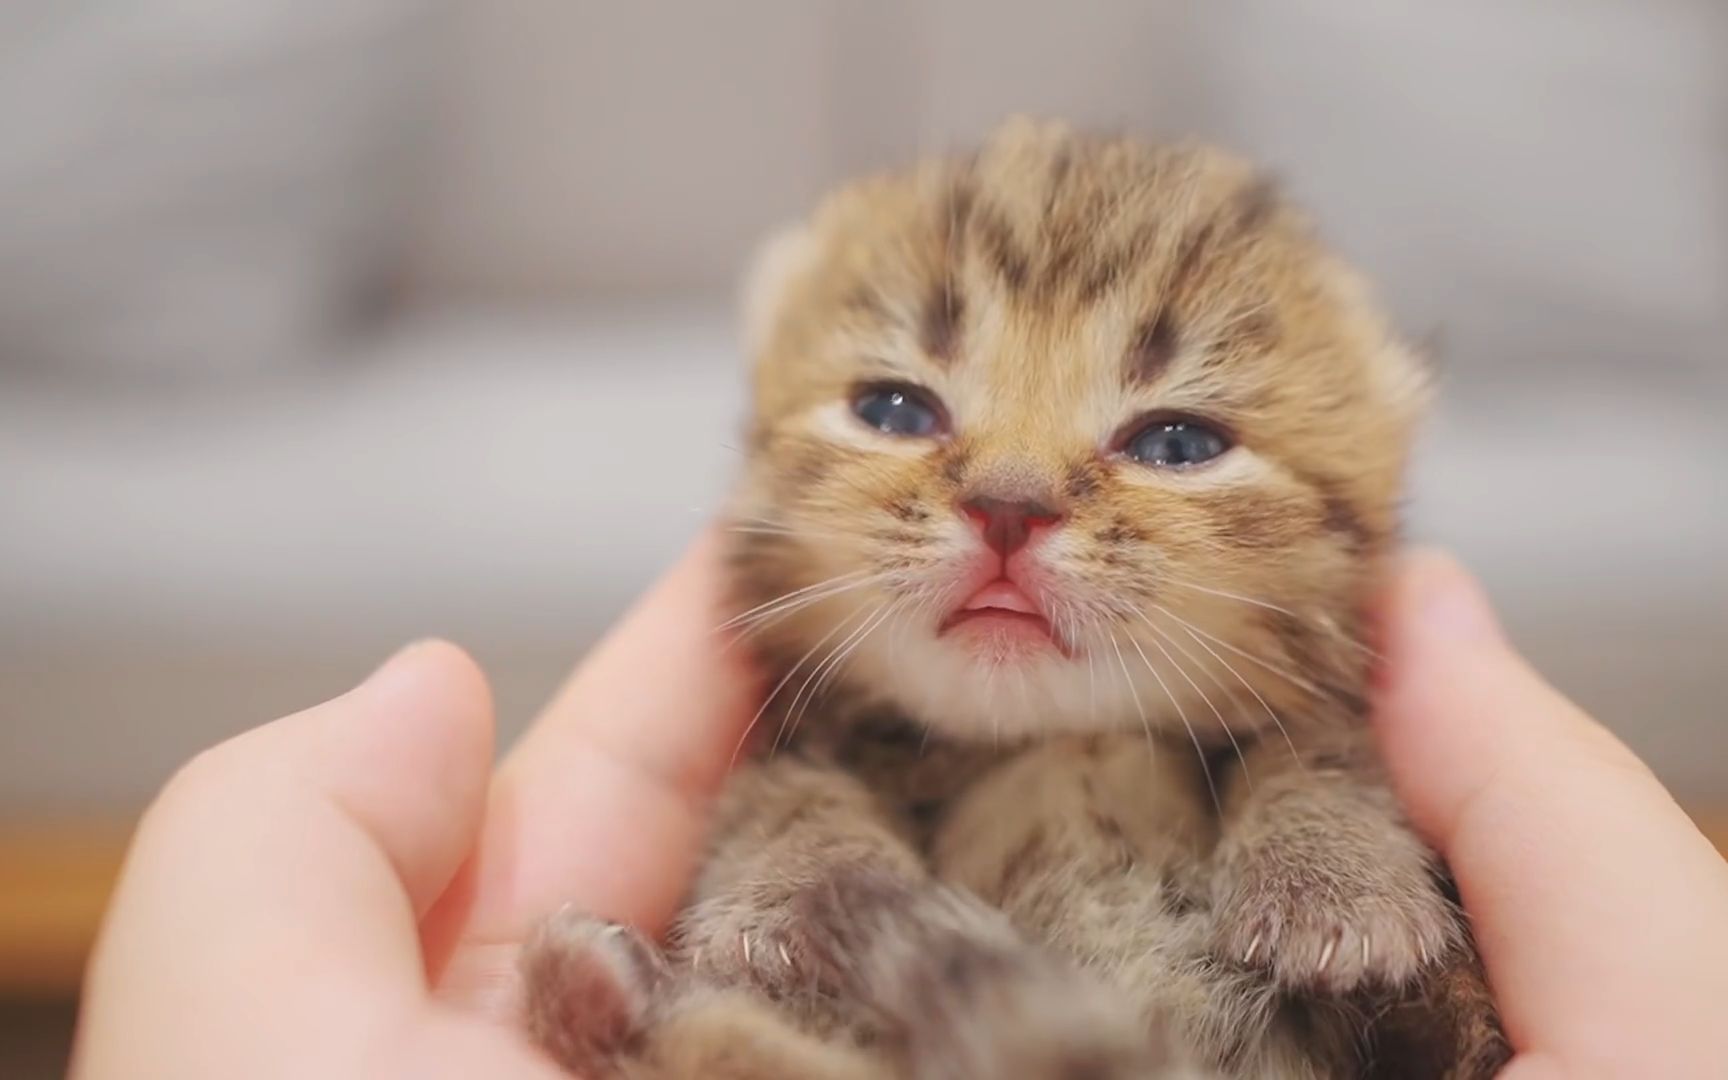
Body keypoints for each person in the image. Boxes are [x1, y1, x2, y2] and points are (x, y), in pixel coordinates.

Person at [70, 535, 1728, 1079]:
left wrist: (1311, 813)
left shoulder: (1267, 686)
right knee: (805, 840)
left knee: (1344, 850)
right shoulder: (845, 696)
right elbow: (801, 829)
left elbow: (1333, 795)